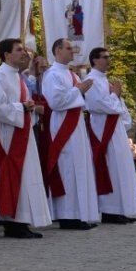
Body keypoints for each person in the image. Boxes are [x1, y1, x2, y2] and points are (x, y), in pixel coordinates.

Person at [0, 38, 51, 238]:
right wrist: (22, 107)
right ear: (7, 55)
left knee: (26, 174)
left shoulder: (17, 77)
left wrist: (26, 109)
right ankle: (13, 222)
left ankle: (22, 219)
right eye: (19, 50)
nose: (24, 53)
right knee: (14, 174)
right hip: (8, 134)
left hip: (22, 130)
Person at [43, 38, 99, 230]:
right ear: (58, 50)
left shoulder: (71, 74)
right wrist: (78, 90)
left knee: (80, 168)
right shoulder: (52, 75)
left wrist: (80, 90)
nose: (72, 51)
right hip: (63, 127)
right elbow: (55, 102)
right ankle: (67, 215)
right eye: (68, 48)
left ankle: (79, 213)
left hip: (76, 126)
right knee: (68, 169)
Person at [83, 48, 136, 224]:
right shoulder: (90, 80)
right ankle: (109, 210)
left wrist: (120, 107)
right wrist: (115, 95)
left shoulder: (106, 81)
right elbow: (99, 104)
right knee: (109, 167)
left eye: (109, 57)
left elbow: (118, 107)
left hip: (116, 130)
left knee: (121, 168)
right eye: (105, 57)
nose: (109, 60)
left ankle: (120, 209)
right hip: (102, 129)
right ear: (94, 60)